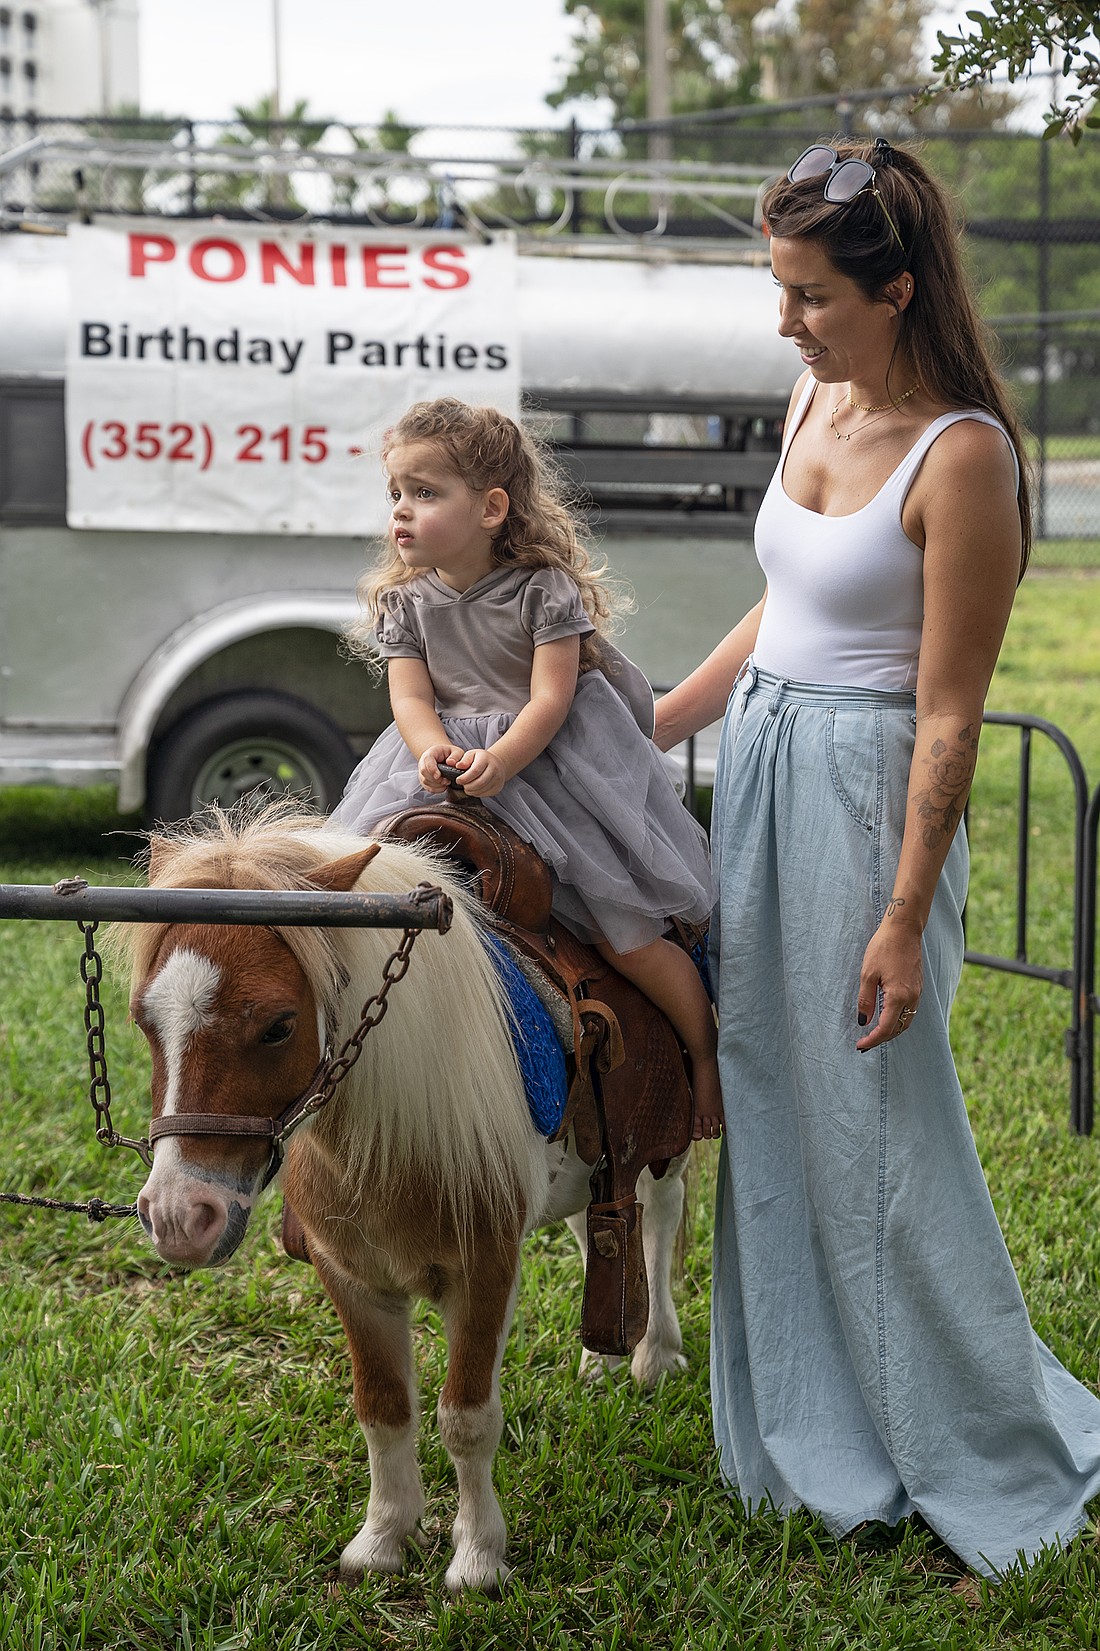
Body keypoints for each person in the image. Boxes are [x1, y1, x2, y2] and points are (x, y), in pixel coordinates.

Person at [654, 138, 1100, 1574]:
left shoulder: (960, 455)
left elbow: (949, 713)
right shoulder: (813, 394)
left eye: (811, 297)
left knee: (879, 1125)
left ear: (896, 289)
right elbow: (783, 604)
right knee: (770, 1088)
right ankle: (815, 1417)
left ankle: (967, 1431)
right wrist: (659, 718)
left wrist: (904, 914)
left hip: (865, 794)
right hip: (762, 766)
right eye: (779, 289)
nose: (785, 321)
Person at [331, 396, 723, 1138]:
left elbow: (551, 698)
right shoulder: (404, 601)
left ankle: (703, 1052)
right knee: (368, 900)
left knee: (621, 931)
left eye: (424, 492)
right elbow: (410, 697)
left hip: (549, 770)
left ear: (491, 508)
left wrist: (502, 759)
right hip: (439, 767)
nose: (401, 511)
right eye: (395, 494)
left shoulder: (543, 591)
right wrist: (431, 749)